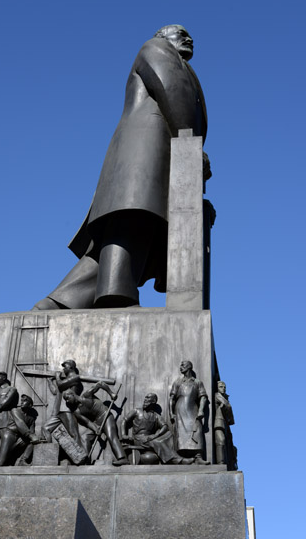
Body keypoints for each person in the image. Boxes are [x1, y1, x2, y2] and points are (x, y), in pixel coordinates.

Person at [33, 24, 208, 311]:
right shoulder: (156, 48)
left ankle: (60, 302)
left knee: (131, 230)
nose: (188, 37)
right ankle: (117, 296)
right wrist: (190, 143)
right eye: (180, 32)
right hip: (146, 148)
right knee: (133, 216)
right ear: (162, 36)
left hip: (161, 152)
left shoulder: (176, 59)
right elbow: (171, 91)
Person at [63, 382, 129, 466]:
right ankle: (87, 461)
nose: (67, 401)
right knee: (86, 437)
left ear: (72, 394)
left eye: (67, 398)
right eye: (66, 400)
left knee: (111, 436)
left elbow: (100, 384)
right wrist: (95, 429)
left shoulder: (86, 395)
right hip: (96, 422)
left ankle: (123, 458)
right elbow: (87, 422)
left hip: (105, 415)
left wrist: (111, 393)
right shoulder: (77, 412)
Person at [121, 393, 194, 465]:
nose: (145, 400)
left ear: (153, 401)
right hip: (138, 438)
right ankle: (178, 460)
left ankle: (175, 455)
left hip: (150, 438)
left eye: (148, 398)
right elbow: (124, 421)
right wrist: (124, 434)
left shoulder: (156, 416)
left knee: (169, 435)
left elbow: (165, 426)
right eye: (145, 398)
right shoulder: (136, 411)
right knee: (157, 442)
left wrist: (156, 435)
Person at [169, 360, 210, 465]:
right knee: (181, 434)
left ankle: (198, 457)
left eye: (183, 365)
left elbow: (203, 397)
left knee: (197, 430)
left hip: (193, 409)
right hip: (180, 410)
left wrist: (201, 410)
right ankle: (182, 457)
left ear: (189, 367)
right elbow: (171, 399)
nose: (181, 367)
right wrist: (171, 413)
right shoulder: (177, 382)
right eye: (180, 365)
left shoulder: (197, 382)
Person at [41, 359, 83, 443]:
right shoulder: (65, 380)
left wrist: (57, 376)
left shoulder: (75, 378)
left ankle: (81, 455)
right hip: (58, 411)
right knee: (45, 428)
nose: (63, 369)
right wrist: (50, 381)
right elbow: (55, 391)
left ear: (71, 367)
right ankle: (47, 453)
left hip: (67, 410)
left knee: (74, 434)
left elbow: (60, 385)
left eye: (65, 367)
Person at [214, 380, 237, 468]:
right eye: (221, 387)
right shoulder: (217, 395)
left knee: (228, 444)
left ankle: (227, 463)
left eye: (224, 387)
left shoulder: (223, 397)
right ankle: (221, 463)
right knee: (221, 441)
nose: (223, 389)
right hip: (219, 423)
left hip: (225, 424)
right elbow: (227, 405)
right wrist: (231, 420)